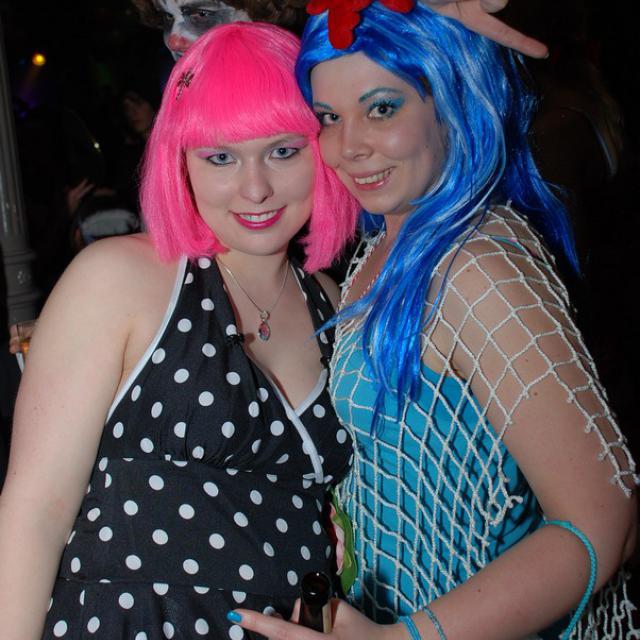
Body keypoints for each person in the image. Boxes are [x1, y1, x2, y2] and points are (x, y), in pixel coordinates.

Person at [230, 2, 639, 639]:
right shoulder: (389, 246)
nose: (347, 146)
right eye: (329, 117)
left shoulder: (476, 269)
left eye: (381, 108)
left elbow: (603, 522)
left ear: (452, 97)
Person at [0, 22, 360, 639]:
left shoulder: (332, 301)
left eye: (283, 150)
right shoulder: (122, 277)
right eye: (220, 157)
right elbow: (35, 511)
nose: (255, 187)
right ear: (181, 162)